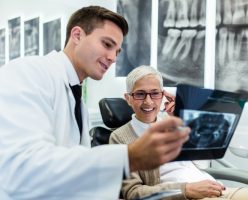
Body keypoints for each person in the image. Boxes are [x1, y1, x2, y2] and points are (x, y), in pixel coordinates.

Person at [0, 6, 190, 199]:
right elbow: (23, 172)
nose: (113, 58)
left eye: (117, 51)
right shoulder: (27, 73)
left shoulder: (76, 99)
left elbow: (76, 178)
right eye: (107, 44)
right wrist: (129, 157)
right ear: (77, 35)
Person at [109, 65, 248, 200]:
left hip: (217, 190)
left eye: (155, 93)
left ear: (162, 95)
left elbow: (202, 164)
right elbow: (134, 193)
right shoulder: (120, 138)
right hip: (187, 196)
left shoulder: (171, 122)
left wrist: (183, 119)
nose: (149, 101)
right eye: (139, 94)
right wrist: (186, 190)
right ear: (128, 98)